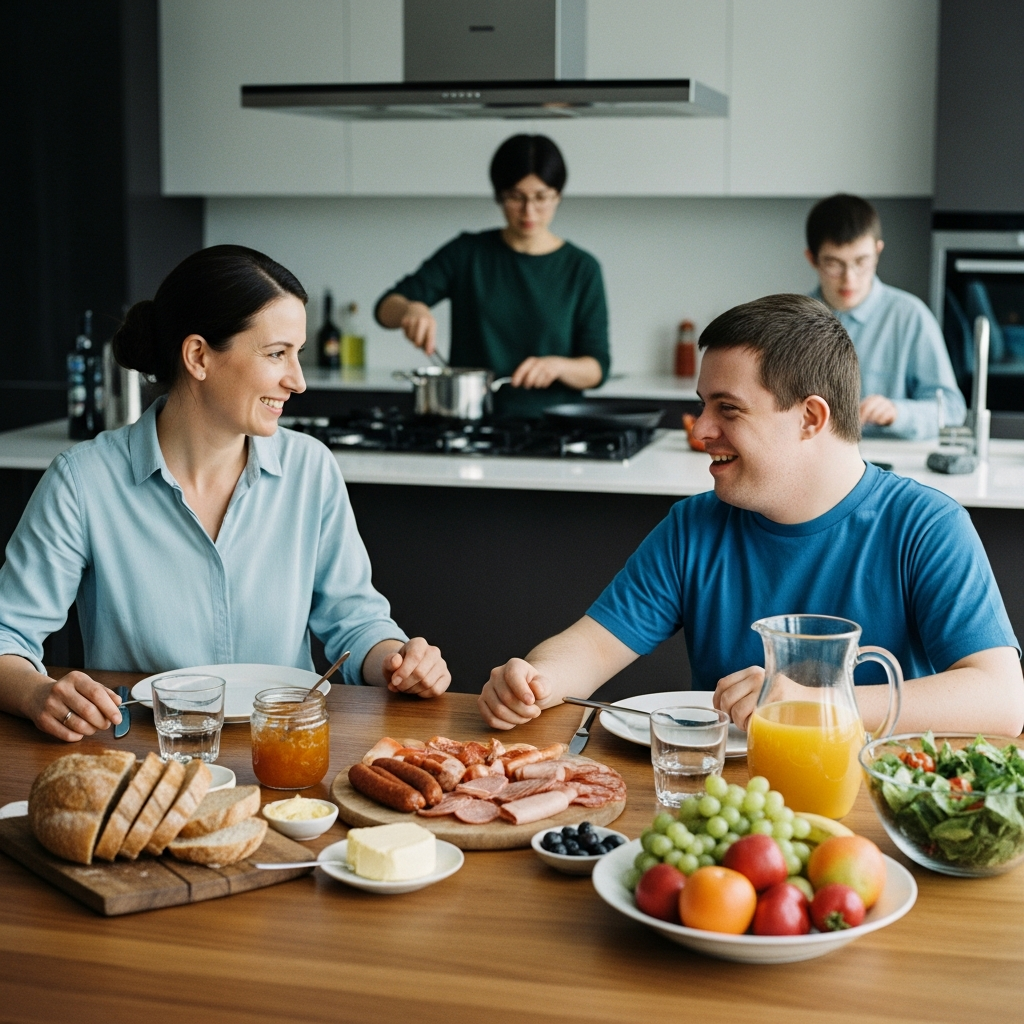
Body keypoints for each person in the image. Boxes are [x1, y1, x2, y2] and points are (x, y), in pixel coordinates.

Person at [478, 294, 1024, 736]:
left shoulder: (926, 526)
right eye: (703, 405)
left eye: (728, 408)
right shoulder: (693, 527)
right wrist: (536, 679)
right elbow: (593, 645)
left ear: (810, 418)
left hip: (869, 801)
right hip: (721, 799)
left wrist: (817, 704)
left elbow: (1003, 698)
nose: (700, 430)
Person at [0, 245, 451, 742]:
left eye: (297, 353)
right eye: (277, 353)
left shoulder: (310, 468)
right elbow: (6, 635)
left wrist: (398, 661)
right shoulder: (83, 481)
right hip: (146, 755)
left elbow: (357, 622)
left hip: (286, 752)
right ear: (199, 356)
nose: (298, 381)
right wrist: (37, 694)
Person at [375, 134, 610, 418]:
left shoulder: (582, 268)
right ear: (499, 195)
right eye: (516, 197)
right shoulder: (466, 253)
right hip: (474, 420)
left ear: (557, 195)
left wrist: (557, 366)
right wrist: (410, 310)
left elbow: (597, 368)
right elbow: (385, 308)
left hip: (557, 424)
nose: (529, 211)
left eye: (541, 197)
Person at [805, 193, 965, 440]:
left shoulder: (911, 316)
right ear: (812, 259)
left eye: (861, 261)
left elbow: (952, 410)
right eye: (834, 264)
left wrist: (898, 413)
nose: (850, 278)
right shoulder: (793, 321)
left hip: (888, 457)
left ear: (877, 252)